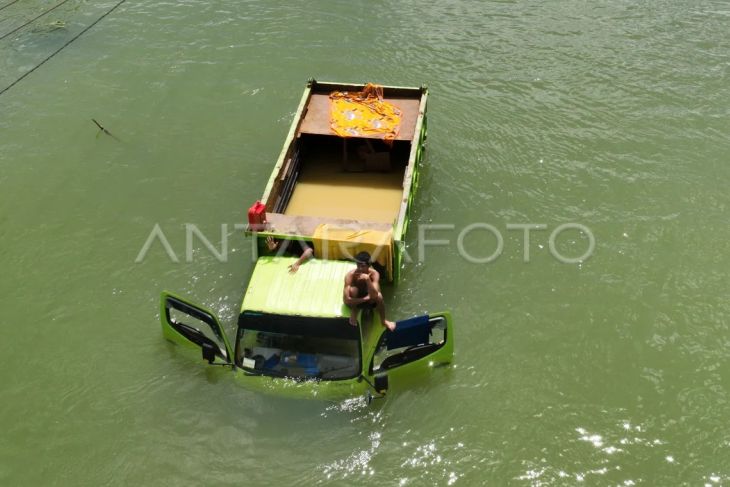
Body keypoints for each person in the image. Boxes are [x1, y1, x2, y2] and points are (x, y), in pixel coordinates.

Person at [343, 251, 395, 331]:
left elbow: (374, 295)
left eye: (363, 266)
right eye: (358, 265)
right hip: (356, 300)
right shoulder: (350, 275)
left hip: (370, 298)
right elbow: (346, 300)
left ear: (369, 266)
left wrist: (367, 280)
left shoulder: (374, 274)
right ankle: (354, 310)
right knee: (354, 290)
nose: (360, 269)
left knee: (379, 296)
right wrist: (365, 299)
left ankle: (383, 321)